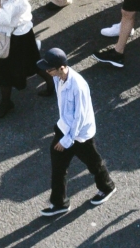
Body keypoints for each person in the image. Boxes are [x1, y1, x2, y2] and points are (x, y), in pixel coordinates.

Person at [35, 50, 116, 217]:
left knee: (94, 163)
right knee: (58, 167)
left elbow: (80, 117)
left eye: (50, 69)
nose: (47, 72)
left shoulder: (78, 86)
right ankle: (59, 203)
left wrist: (67, 140)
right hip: (65, 128)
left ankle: (107, 187)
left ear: (62, 67)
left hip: (79, 135)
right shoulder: (59, 78)